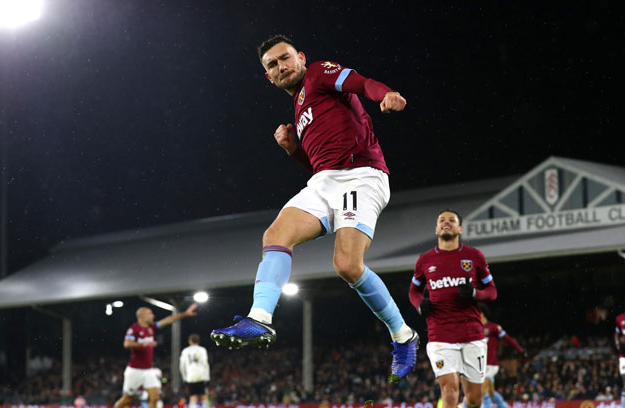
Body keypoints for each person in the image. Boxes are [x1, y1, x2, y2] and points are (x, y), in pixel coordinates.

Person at [210, 34, 417, 382]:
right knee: (276, 235)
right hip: (326, 181)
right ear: (268, 77)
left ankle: (403, 335)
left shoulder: (319, 73)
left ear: (301, 57)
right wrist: (293, 149)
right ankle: (259, 319)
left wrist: (387, 94)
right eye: (272, 65)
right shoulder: (300, 106)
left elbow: (362, 83)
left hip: (361, 175)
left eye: (285, 58)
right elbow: (321, 165)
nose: (281, 66)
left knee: (348, 266)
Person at [409, 210, 498, 408]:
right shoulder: (425, 260)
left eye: (451, 220)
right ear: (436, 229)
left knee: (475, 399)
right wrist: (419, 305)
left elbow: (492, 292)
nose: (446, 223)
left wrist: (475, 294)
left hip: (472, 335)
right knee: (449, 390)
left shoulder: (474, 256)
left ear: (460, 229)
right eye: (441, 220)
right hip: (440, 336)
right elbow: (413, 291)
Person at [114, 304, 198, 408]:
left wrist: (184, 314)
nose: (153, 316)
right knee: (127, 399)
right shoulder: (134, 329)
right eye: (150, 313)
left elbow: (168, 320)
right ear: (142, 316)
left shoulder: (151, 327)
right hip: (135, 370)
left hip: (149, 370)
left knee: (155, 397)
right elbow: (127, 344)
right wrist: (143, 344)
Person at [479, 304, 524, 408]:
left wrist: (520, 349)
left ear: (481, 314)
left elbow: (508, 339)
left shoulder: (493, 327)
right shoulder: (476, 329)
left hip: (491, 365)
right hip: (479, 366)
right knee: (490, 392)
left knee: (483, 390)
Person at [180, 334, 211, 408]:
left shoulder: (185, 351)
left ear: (190, 341)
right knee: (204, 396)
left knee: (193, 397)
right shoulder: (202, 350)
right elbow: (205, 364)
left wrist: (184, 378)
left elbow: (182, 366)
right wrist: (207, 377)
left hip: (191, 377)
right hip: (202, 376)